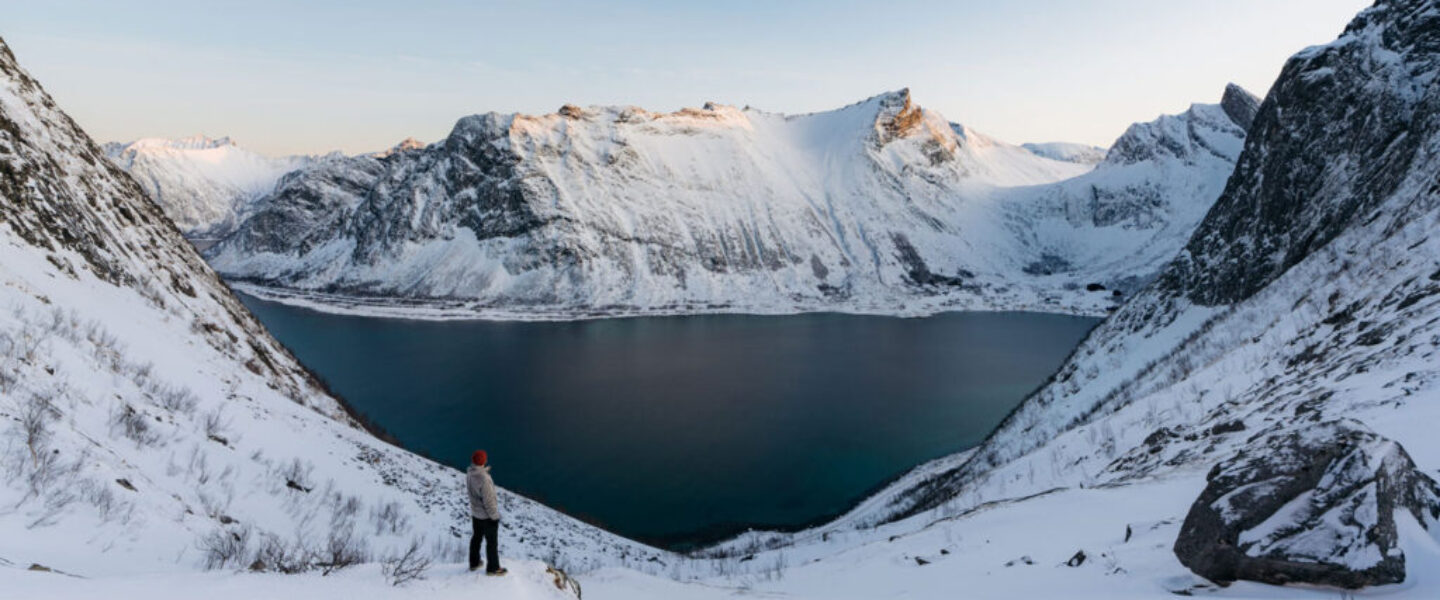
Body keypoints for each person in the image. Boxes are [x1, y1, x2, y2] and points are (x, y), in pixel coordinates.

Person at [467, 449, 506, 575]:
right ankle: (493, 568)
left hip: (476, 514)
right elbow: (489, 501)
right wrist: (494, 517)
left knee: (476, 538)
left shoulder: (470, 473)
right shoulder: (484, 479)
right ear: (483, 461)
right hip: (486, 516)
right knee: (492, 542)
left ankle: (474, 563)